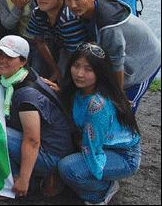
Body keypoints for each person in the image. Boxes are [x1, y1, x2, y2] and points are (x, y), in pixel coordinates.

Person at [0, 35, 73, 199]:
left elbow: (32, 140)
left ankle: (15, 180)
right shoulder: (19, 75)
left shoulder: (27, 95)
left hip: (50, 153)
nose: (2, 60)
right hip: (52, 145)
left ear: (23, 61)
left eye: (9, 57)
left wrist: (24, 179)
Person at [62, 0, 161, 112]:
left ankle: (128, 131)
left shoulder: (109, 27)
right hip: (122, 53)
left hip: (145, 60)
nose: (72, 5)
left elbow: (116, 65)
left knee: (124, 108)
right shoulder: (87, 10)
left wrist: (118, 96)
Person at [58, 43, 141, 205]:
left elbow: (92, 149)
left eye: (88, 69)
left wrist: (89, 174)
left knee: (68, 169)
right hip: (103, 146)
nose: (79, 74)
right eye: (76, 66)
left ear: (100, 72)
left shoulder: (98, 105)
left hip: (123, 155)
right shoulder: (80, 91)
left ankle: (101, 192)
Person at [25, 0, 87, 83]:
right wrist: (55, 70)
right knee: (34, 70)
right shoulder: (38, 13)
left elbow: (74, 54)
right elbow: (40, 42)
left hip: (77, 52)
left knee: (65, 77)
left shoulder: (68, 18)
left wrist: (60, 75)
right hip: (54, 44)